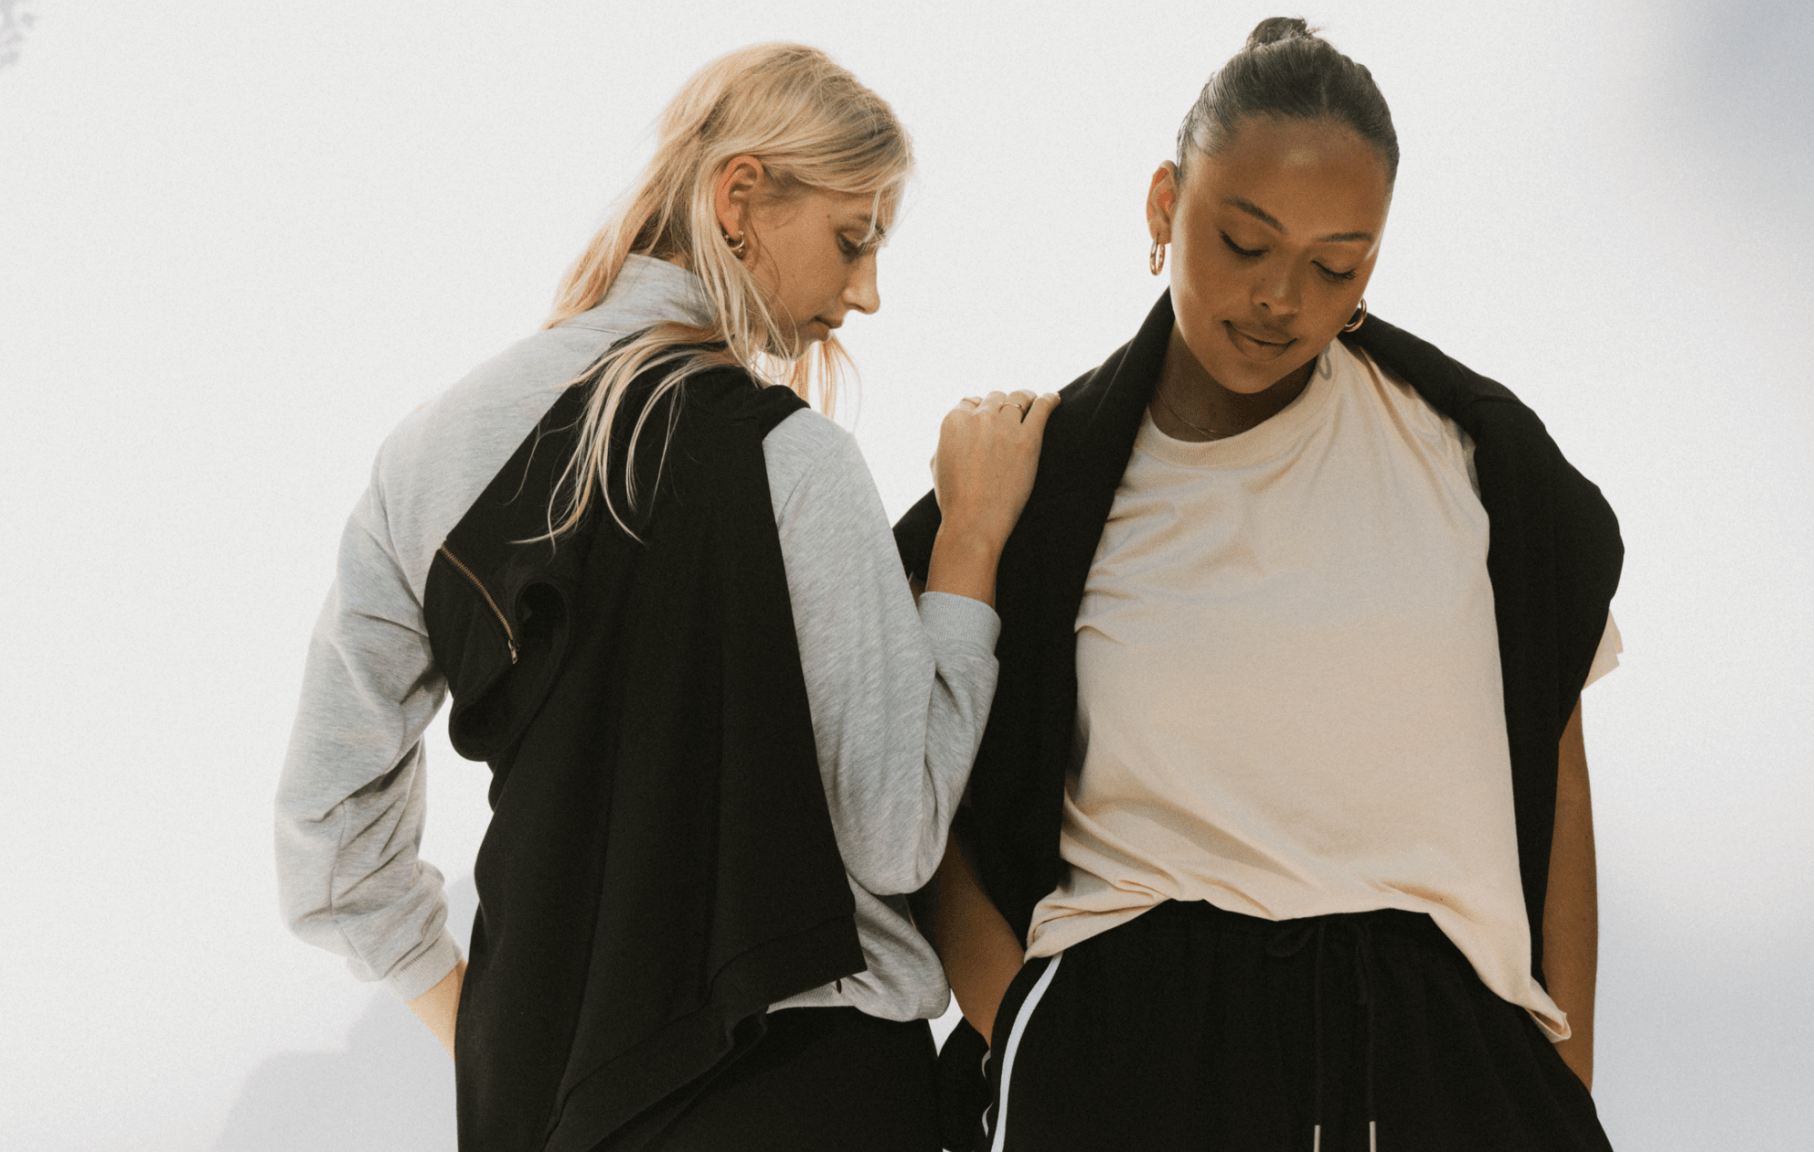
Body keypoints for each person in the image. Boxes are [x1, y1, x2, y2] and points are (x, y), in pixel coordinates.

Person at [275, 42, 1055, 1151]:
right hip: (806, 1090)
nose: (866, 292)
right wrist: (970, 545)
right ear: (739, 197)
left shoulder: (428, 457)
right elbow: (894, 836)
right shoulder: (791, 458)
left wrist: (511, 1045)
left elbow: (329, 843)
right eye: (852, 240)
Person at [896, 17, 1623, 1152]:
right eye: (1242, 242)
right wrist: (1023, 1022)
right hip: (1137, 1050)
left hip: (1447, 1061)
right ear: (1160, 208)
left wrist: (1559, 1079)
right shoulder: (1040, 488)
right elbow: (908, 775)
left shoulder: (1471, 461)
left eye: (1335, 265)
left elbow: (1556, 758)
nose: (1281, 297)